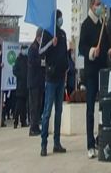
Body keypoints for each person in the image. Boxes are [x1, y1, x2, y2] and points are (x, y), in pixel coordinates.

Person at [77, 0, 109, 158]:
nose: (99, 7)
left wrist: (110, 50)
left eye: (100, 5)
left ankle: (99, 138)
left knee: (104, 108)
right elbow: (81, 47)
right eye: (97, 5)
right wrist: (91, 51)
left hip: (103, 71)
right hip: (91, 73)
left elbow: (108, 43)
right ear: (91, 6)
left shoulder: (102, 24)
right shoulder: (86, 25)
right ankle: (90, 144)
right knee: (90, 109)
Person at [39, 10, 69, 156]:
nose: (60, 20)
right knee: (47, 112)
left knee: (59, 111)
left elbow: (65, 53)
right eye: (58, 18)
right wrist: (51, 43)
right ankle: (43, 143)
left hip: (61, 77)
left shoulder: (63, 34)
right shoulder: (47, 33)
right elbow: (41, 51)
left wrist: (67, 66)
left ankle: (57, 143)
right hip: (50, 78)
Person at [27, 31, 43, 137]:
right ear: (38, 37)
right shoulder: (33, 48)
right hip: (34, 82)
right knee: (34, 105)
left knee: (39, 105)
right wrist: (41, 62)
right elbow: (33, 62)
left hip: (39, 81)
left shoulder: (40, 48)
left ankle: (36, 126)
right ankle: (33, 127)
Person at [13, 46, 28, 129]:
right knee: (18, 105)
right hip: (20, 85)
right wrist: (21, 76)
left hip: (26, 85)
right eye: (24, 49)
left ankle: (23, 121)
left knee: (24, 106)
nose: (25, 51)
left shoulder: (27, 59)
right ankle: (15, 121)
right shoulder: (18, 59)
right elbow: (14, 71)